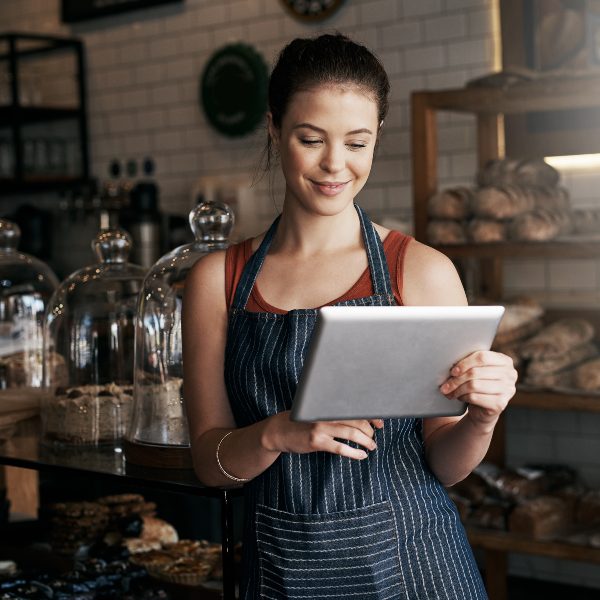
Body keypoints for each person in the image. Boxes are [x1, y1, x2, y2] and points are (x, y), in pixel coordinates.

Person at [183, 33, 517, 600]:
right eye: (310, 139)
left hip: (416, 565)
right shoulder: (217, 280)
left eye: (357, 143)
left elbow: (446, 464)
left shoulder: (422, 272)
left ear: (377, 139)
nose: (335, 165)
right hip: (280, 568)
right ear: (273, 128)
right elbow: (210, 465)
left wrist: (482, 418)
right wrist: (276, 433)